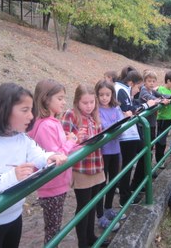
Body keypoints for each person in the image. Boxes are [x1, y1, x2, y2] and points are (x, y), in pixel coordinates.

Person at [0, 83, 67, 248]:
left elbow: (38, 155)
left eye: (31, 110)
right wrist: (11, 177)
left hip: (14, 218)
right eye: (24, 110)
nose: (31, 116)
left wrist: (50, 157)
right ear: (4, 110)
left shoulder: (21, 138)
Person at [27, 79, 79, 244]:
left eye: (64, 98)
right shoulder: (46, 126)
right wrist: (71, 141)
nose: (64, 102)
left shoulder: (49, 122)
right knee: (53, 230)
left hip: (55, 184)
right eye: (60, 98)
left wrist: (74, 142)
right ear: (45, 99)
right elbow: (55, 157)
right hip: (53, 186)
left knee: (53, 227)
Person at [61, 84, 107, 248]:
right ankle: (83, 243)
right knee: (84, 207)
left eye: (92, 102)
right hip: (81, 169)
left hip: (96, 165)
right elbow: (63, 143)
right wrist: (77, 140)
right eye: (85, 103)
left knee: (93, 203)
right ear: (76, 102)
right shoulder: (70, 115)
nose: (89, 106)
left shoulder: (94, 116)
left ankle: (91, 237)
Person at [114, 68, 156, 206]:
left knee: (145, 154)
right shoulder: (120, 89)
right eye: (138, 87)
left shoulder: (123, 89)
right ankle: (125, 197)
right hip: (126, 135)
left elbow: (131, 107)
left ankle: (134, 187)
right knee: (128, 165)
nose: (139, 90)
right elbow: (128, 109)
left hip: (131, 133)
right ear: (131, 83)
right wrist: (146, 105)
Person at [94, 80, 125, 231]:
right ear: (97, 95)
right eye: (101, 95)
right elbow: (103, 127)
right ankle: (100, 215)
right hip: (103, 152)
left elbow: (121, 123)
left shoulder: (116, 108)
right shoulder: (97, 110)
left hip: (116, 149)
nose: (104, 97)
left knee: (113, 180)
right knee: (101, 183)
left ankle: (108, 208)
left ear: (112, 94)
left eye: (107, 94)